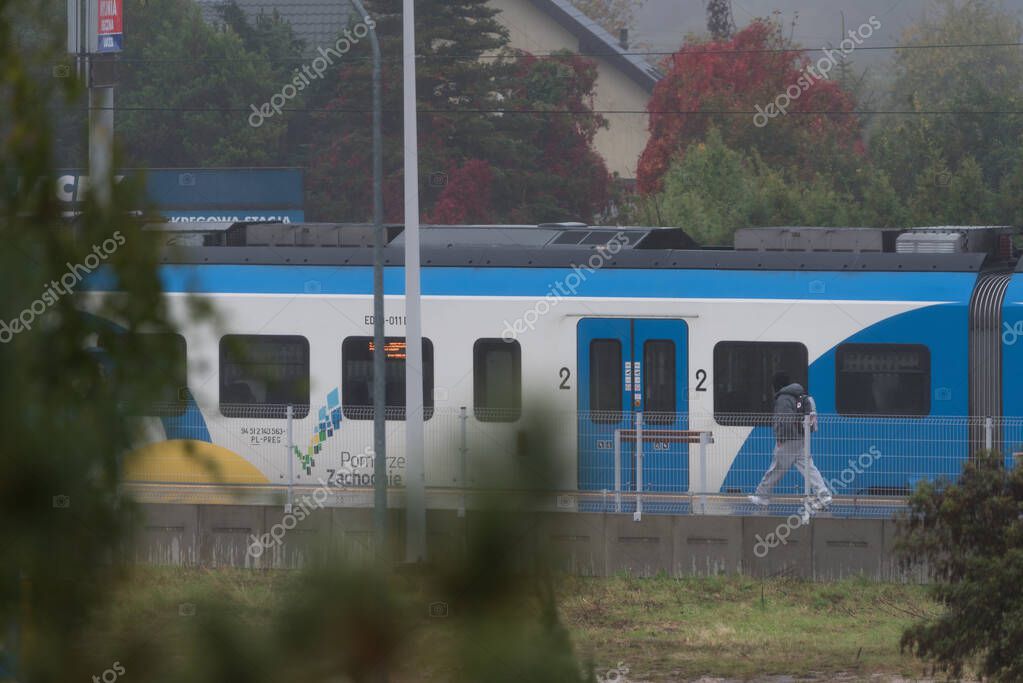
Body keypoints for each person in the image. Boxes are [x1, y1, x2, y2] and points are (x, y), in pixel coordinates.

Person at [748, 371, 831, 519]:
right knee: (808, 467)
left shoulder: (783, 398)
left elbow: (784, 420)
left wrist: (781, 438)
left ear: (776, 386)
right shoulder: (798, 394)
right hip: (801, 437)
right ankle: (823, 495)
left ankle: (762, 496)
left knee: (776, 468)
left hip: (789, 438)